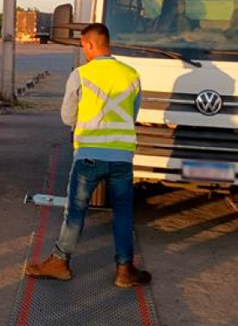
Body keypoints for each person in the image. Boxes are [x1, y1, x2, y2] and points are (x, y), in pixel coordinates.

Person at [25, 23, 151, 288]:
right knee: (123, 213)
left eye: (83, 46)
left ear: (91, 45)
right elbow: (133, 114)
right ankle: (125, 269)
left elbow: (67, 116)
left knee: (76, 210)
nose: (83, 51)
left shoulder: (81, 75)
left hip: (89, 156)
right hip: (122, 157)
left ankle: (60, 262)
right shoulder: (131, 74)